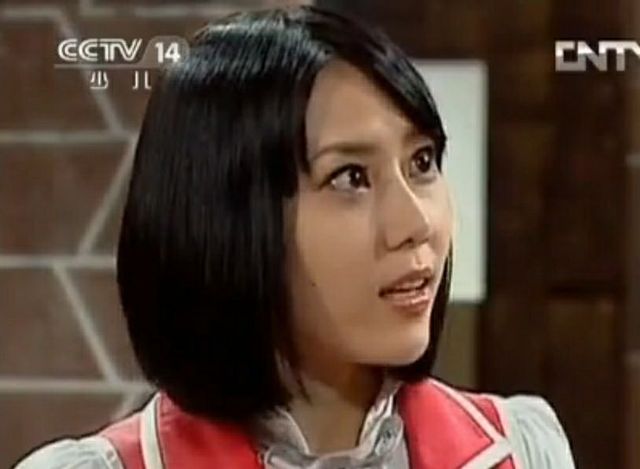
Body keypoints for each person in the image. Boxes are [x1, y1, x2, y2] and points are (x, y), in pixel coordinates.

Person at [15, 6, 575, 469]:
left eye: (422, 162)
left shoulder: (522, 449)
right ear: (230, 214)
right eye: (350, 177)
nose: (417, 224)